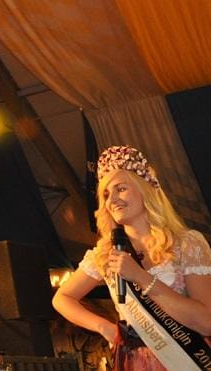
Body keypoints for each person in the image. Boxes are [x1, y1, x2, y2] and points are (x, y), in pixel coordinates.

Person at [52, 145, 211, 370]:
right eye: (106, 194)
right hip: (135, 362)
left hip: (186, 356)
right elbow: (62, 298)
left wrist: (141, 277)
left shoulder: (186, 243)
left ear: (145, 190)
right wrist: (103, 327)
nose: (112, 199)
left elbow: (206, 323)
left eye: (121, 189)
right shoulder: (105, 253)